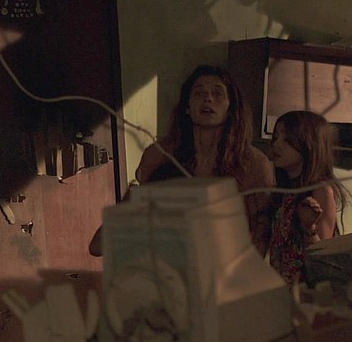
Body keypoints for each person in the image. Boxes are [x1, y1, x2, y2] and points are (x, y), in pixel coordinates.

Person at [89, 65, 275, 256]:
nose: (208, 99)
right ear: (187, 107)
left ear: (231, 108)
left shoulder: (253, 163)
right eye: (199, 93)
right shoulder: (161, 155)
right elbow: (98, 246)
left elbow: (261, 234)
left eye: (218, 93)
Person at [267, 110, 349, 285]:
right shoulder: (285, 189)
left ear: (308, 144)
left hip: (307, 293)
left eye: (287, 139)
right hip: (282, 289)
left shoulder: (320, 190)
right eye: (276, 137)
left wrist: (308, 226)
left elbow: (323, 257)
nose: (276, 144)